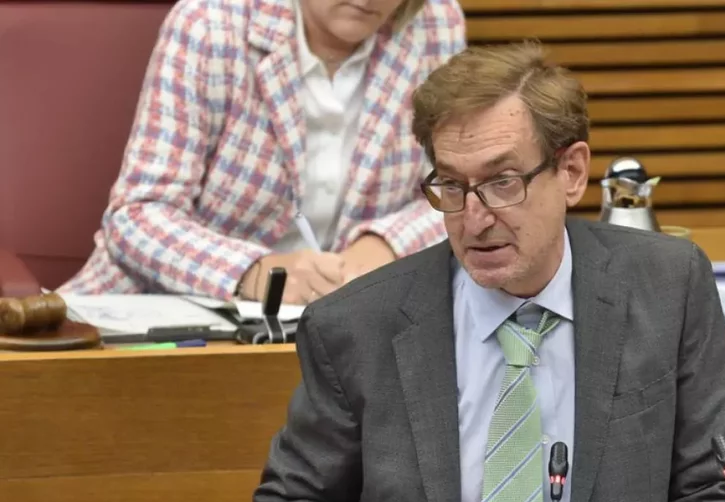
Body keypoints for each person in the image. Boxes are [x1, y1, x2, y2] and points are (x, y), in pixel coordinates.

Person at [253, 41, 725, 502]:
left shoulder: (668, 287)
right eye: (451, 186)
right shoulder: (356, 325)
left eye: (501, 183)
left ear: (571, 172)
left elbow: (714, 483)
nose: (475, 218)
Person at [59, 0, 465, 304]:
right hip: (175, 314)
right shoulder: (210, 23)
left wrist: (386, 244)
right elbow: (137, 215)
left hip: (354, 323)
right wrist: (256, 274)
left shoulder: (434, 24)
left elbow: (457, 190)